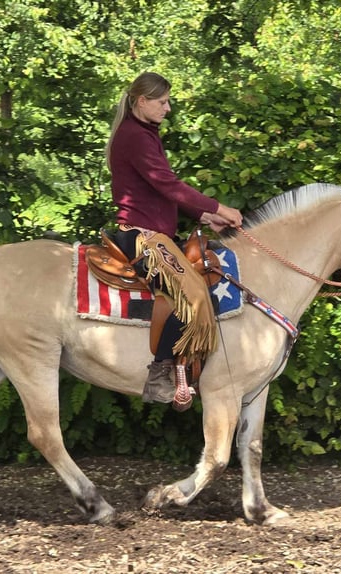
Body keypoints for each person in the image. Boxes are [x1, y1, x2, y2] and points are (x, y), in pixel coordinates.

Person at [105, 71, 243, 404]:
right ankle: (158, 376)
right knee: (194, 296)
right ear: (143, 101)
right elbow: (169, 185)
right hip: (141, 237)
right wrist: (218, 206)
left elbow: (157, 192)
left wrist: (204, 215)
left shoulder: (142, 133)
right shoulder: (135, 136)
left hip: (157, 234)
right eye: (163, 102)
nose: (168, 109)